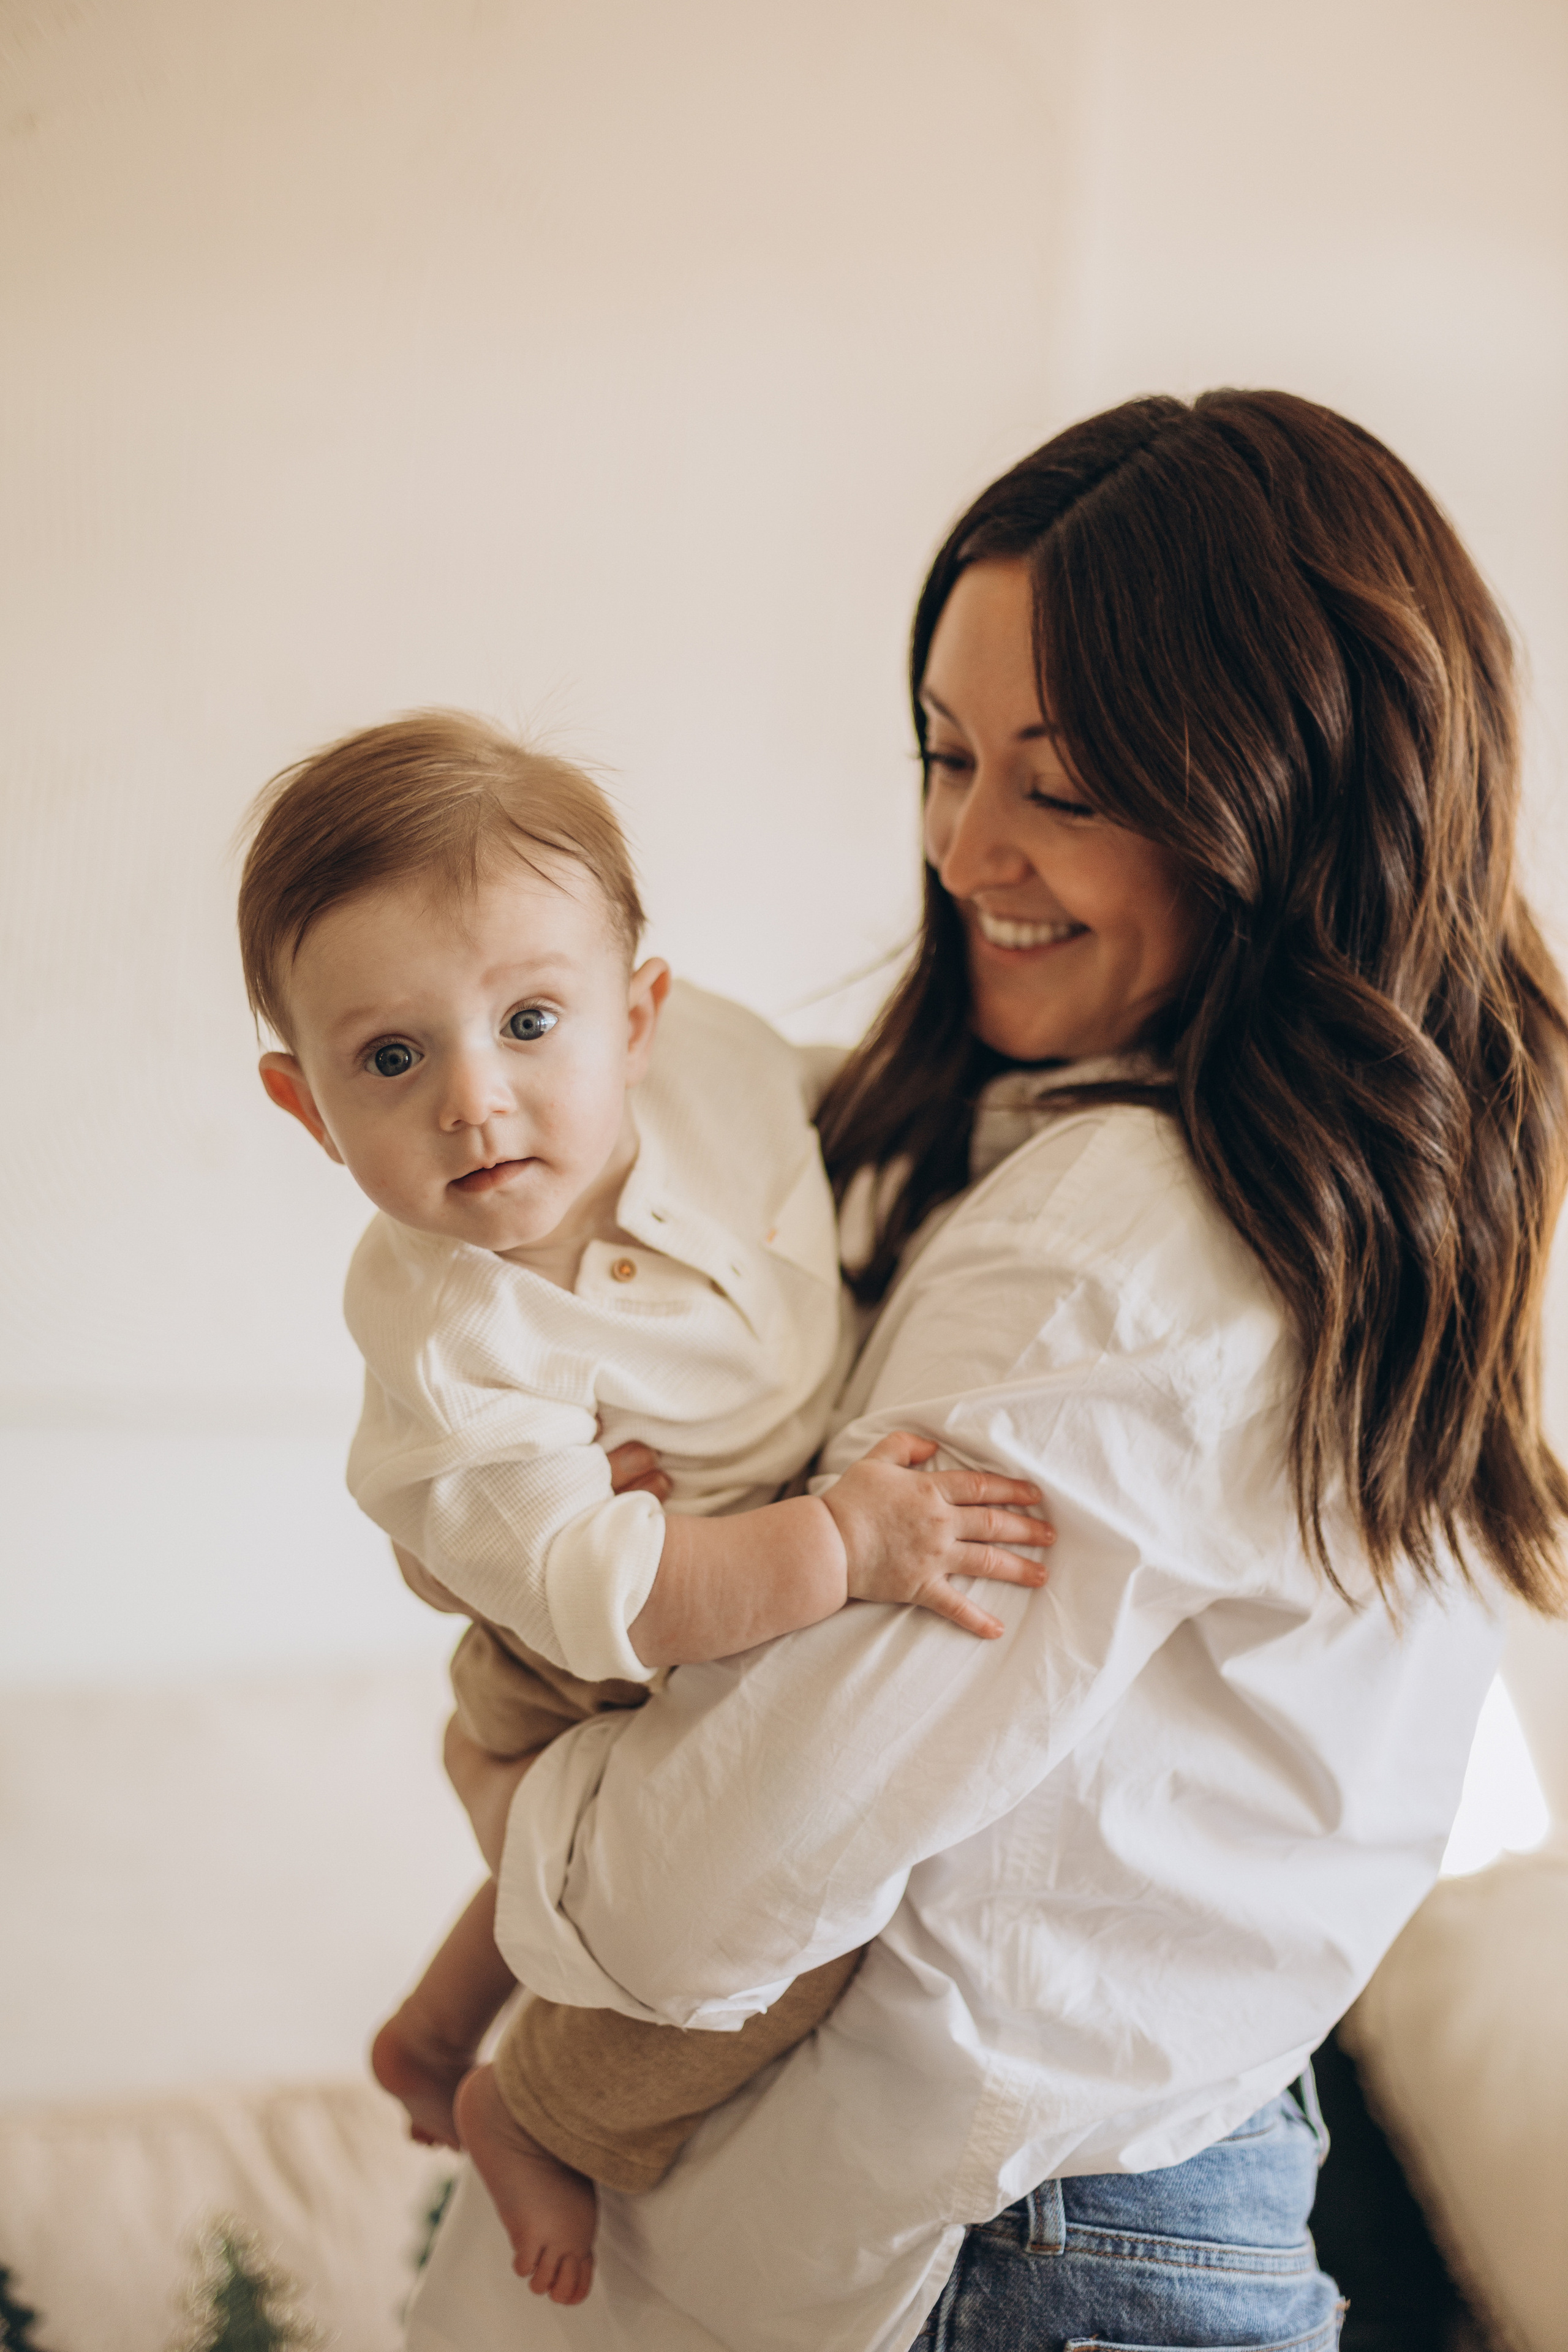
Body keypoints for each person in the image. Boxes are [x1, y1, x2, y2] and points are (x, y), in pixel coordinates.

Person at [405, 390, 1568, 2352]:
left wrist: (525, 1739)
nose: (963, 843)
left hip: (1022, 2255)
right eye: (946, 757)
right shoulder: (1335, 1197)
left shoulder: (1124, 1245)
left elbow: (704, 1900)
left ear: (1279, 802)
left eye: (1069, 781)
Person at [236, 715, 1049, 2305]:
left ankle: (431, 2029)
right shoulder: (452, 1339)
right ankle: (533, 2106)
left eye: (531, 1020)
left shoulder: (732, 1070)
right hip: (585, 1639)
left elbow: (850, 1118)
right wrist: (846, 1544)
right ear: (305, 1105)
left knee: (604, 1869)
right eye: (392, 1059)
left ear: (642, 1013)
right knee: (784, 1920)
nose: (478, 1100)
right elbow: (618, 1593)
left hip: (688, 1581)